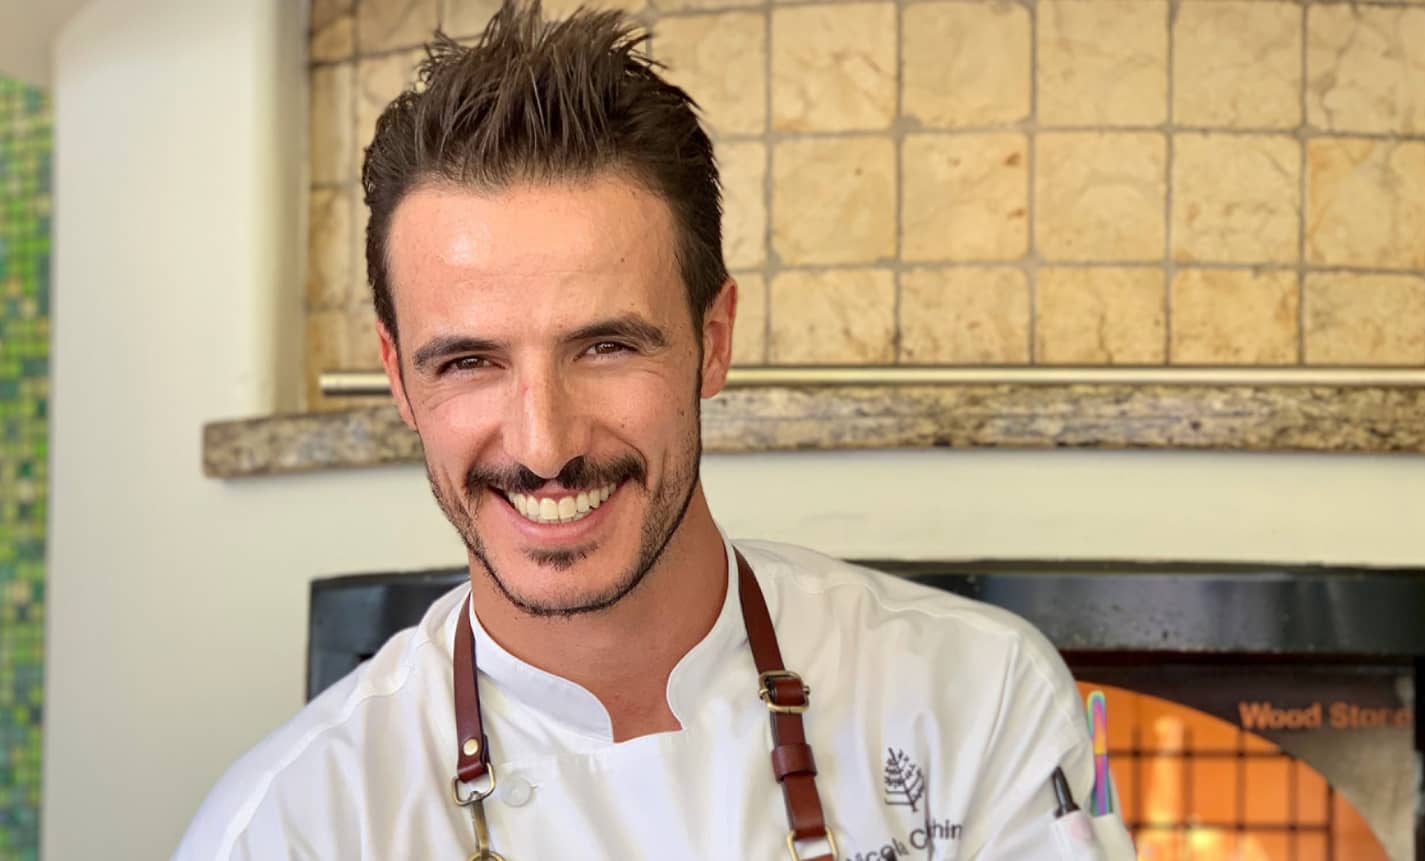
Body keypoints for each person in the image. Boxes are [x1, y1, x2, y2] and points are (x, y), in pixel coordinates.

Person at [174, 2, 1134, 858]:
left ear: (713, 343)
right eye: (469, 362)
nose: (544, 446)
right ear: (397, 377)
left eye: (605, 346)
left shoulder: (979, 701)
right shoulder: (288, 826)